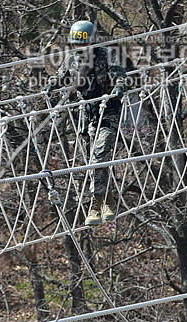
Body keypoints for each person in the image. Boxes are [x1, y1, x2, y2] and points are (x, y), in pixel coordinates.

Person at [43, 21, 127, 226]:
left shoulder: (107, 55)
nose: (78, 49)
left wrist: (118, 89)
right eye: (75, 45)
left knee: (99, 157)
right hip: (85, 117)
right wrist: (50, 85)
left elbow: (121, 77)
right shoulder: (71, 59)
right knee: (94, 163)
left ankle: (95, 203)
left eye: (82, 45)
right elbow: (61, 76)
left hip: (108, 113)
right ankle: (108, 201)